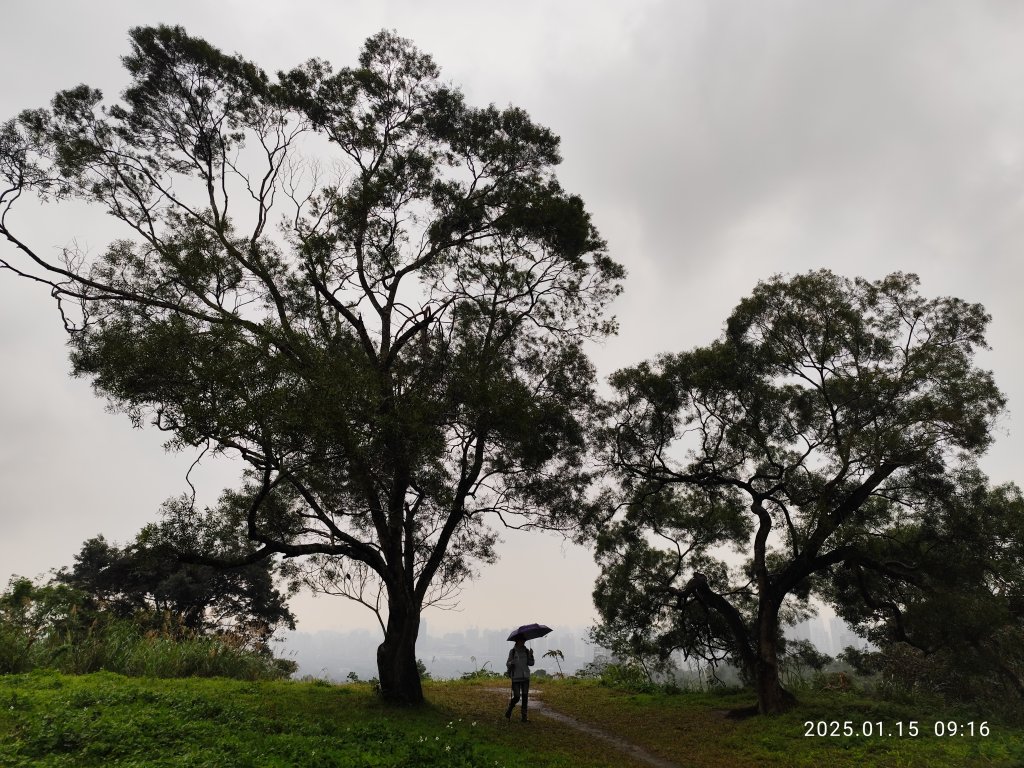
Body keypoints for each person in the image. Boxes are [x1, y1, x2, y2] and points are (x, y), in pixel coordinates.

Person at [505, 637, 535, 722]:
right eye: (521, 640)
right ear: (517, 641)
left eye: (524, 641)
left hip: (525, 677)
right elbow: (507, 663)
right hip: (516, 677)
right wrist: (511, 663)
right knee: (517, 696)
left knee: (525, 697)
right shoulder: (513, 651)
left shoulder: (526, 651)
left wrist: (531, 655)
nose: (523, 642)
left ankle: (524, 717)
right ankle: (510, 708)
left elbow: (531, 663)